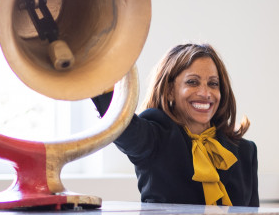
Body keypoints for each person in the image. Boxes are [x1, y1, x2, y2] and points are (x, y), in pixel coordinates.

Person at [92, 43, 259, 207]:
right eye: (193, 82)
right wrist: (94, 70)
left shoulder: (245, 151)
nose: (205, 93)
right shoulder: (155, 136)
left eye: (213, 84)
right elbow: (122, 127)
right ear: (170, 90)